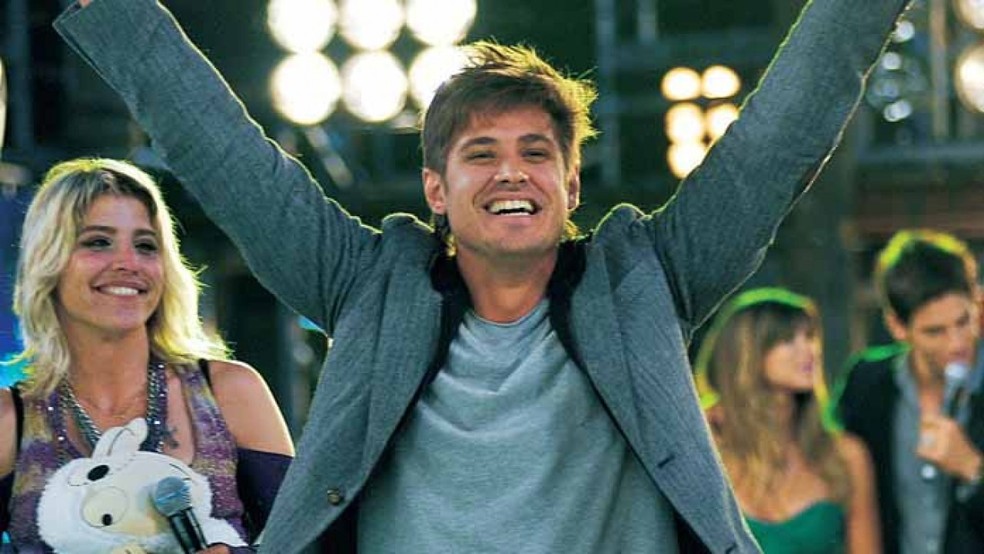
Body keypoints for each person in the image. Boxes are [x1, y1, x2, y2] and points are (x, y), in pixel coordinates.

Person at [53, 0, 910, 551]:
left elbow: (775, 143)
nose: (511, 172)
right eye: (481, 153)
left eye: (536, 152)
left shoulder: (645, 280)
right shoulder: (368, 285)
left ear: (571, 184)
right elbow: (224, 154)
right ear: (436, 189)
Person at [0, 158, 295, 552]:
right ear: (48, 261)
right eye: (98, 242)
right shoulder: (10, 419)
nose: (129, 263)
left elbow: (309, 541)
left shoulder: (230, 391)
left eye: (145, 246)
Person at [695, 288, 881, 553]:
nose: (810, 350)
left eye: (810, 336)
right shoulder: (708, 447)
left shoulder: (845, 455)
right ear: (747, 352)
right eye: (787, 340)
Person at [835, 230, 984, 553]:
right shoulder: (866, 384)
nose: (957, 343)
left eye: (963, 321)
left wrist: (973, 468)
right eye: (935, 331)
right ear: (897, 327)